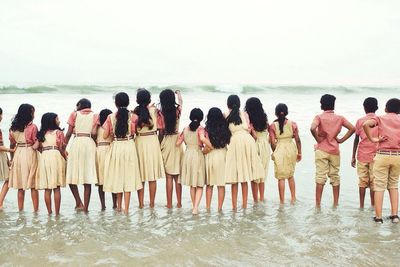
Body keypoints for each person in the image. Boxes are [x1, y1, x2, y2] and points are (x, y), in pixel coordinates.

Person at [310, 94, 355, 208]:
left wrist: (318, 139)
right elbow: (353, 128)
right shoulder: (340, 118)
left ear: (321, 105)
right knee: (335, 176)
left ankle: (318, 204)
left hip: (321, 150)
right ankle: (335, 203)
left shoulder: (319, 117)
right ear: (333, 105)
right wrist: (341, 140)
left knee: (320, 177)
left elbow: (312, 128)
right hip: (334, 150)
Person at [103, 92, 143, 214]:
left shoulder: (110, 117)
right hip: (129, 145)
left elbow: (105, 136)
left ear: (116, 103)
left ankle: (119, 207)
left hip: (116, 146)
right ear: (128, 102)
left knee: (118, 176)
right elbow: (136, 131)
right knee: (129, 176)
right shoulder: (134, 117)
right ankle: (126, 209)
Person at [363, 98, 400, 223]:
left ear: (386, 108)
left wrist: (373, 139)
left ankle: (378, 218)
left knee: (379, 186)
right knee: (394, 185)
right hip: (397, 156)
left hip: (382, 154)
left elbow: (365, 124)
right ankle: (394, 216)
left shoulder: (380, 118)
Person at [224, 95, 264, 210]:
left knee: (235, 175)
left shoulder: (226, 114)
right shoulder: (245, 114)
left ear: (228, 104)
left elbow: (225, 131)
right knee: (245, 174)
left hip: (235, 142)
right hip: (247, 141)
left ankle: (234, 207)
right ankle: (245, 206)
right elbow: (249, 129)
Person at [65, 98, 99, 212]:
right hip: (89, 143)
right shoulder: (95, 116)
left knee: (71, 175)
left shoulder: (74, 115)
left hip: (77, 142)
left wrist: (63, 147)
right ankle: (86, 208)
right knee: (87, 178)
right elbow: (95, 134)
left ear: (80, 105)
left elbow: (69, 133)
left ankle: (78, 202)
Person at [134, 89, 165, 208]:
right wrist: (160, 143)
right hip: (153, 141)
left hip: (140, 141)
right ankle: (152, 204)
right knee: (152, 177)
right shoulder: (155, 111)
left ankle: (141, 204)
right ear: (149, 99)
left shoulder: (135, 112)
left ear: (137, 100)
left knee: (141, 175)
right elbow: (161, 129)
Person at [8, 104, 39, 211]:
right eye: (33, 112)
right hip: (29, 152)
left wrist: (12, 159)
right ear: (29, 114)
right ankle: (36, 210)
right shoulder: (33, 127)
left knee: (20, 186)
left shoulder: (13, 128)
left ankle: (20, 210)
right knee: (33, 185)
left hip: (18, 154)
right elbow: (36, 144)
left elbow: (12, 145)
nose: (34, 115)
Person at [34, 113, 66, 215]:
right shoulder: (59, 133)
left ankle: (49, 212)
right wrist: (66, 158)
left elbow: (37, 147)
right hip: (55, 155)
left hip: (45, 156)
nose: (59, 120)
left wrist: (44, 152)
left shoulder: (41, 133)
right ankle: (57, 213)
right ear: (52, 121)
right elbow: (61, 148)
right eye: (57, 119)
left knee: (47, 188)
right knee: (56, 188)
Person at [269, 104, 302, 204]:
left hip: (279, 148)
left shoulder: (273, 126)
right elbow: (298, 140)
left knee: (281, 177)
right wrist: (299, 152)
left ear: (276, 113)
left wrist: (275, 152)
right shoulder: (293, 124)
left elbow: (272, 142)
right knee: (290, 175)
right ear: (286, 112)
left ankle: (282, 201)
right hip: (291, 148)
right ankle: (293, 198)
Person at [177, 108, 206, 215]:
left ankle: (195, 206)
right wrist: (210, 146)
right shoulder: (201, 129)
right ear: (201, 118)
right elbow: (202, 139)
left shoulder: (185, 129)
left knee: (192, 184)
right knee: (199, 184)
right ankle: (195, 208)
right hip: (197, 155)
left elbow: (177, 143)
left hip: (187, 155)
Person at [201, 107, 231, 211]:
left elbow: (207, 147)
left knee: (209, 184)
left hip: (211, 156)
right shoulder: (225, 128)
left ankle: (208, 208)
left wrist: (202, 153)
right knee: (221, 185)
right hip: (222, 155)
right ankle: (219, 209)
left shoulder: (206, 129)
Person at [158, 89, 183, 209]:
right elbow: (181, 102)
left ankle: (169, 204)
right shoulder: (178, 111)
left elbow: (161, 132)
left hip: (167, 141)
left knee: (169, 176)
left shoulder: (160, 114)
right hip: (177, 141)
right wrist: (178, 93)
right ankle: (179, 203)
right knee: (177, 175)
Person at [351, 97, 378, 209]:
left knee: (362, 181)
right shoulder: (379, 120)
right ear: (377, 108)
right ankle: (373, 205)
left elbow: (356, 139)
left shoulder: (360, 121)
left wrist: (353, 156)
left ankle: (361, 205)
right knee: (373, 181)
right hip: (376, 155)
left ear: (364, 108)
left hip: (362, 154)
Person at [245, 97, 271, 202]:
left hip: (255, 146)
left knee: (254, 174)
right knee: (263, 173)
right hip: (265, 146)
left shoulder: (249, 119)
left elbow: (253, 136)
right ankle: (262, 197)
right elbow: (268, 131)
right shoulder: (264, 118)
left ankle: (255, 200)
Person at [96, 109, 116, 210]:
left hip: (99, 151)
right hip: (109, 149)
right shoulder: (111, 127)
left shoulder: (97, 128)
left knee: (101, 181)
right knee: (112, 178)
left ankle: (103, 205)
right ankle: (115, 204)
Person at [0, 107, 15, 209]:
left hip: (2, 154)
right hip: (1, 154)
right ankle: (0, 202)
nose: (1, 117)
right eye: (1, 114)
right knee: (8, 179)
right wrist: (11, 151)